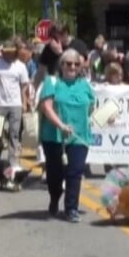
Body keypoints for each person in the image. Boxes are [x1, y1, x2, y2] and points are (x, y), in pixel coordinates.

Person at [38, 49, 95, 223]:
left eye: (76, 64)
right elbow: (46, 107)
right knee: (54, 173)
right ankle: (55, 197)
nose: (72, 67)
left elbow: (92, 107)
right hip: (54, 136)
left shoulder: (85, 85)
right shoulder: (52, 82)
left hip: (79, 137)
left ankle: (71, 208)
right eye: (68, 63)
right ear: (61, 65)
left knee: (75, 172)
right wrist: (61, 125)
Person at [0, 40, 31, 167]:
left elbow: (24, 85)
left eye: (11, 52)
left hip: (15, 104)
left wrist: (24, 102)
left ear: (15, 52)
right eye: (6, 52)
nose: (8, 54)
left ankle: (13, 162)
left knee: (14, 134)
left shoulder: (20, 66)